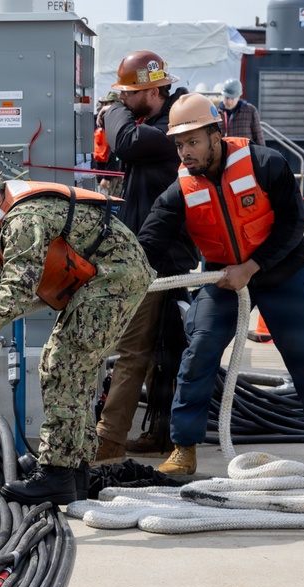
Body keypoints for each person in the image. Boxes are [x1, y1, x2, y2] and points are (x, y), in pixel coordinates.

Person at [136, 93, 304, 477]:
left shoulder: (266, 164)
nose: (185, 152)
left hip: (283, 272)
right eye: (180, 143)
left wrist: (252, 266)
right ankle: (184, 447)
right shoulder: (181, 189)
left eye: (194, 141)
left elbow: (292, 226)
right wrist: (123, 270)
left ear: (216, 135)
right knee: (199, 352)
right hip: (222, 277)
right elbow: (150, 240)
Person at [0, 170, 154, 505]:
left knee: (62, 361)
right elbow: (0, 282)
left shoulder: (23, 220)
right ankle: (75, 471)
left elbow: (18, 290)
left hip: (115, 275)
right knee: (70, 366)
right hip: (97, 278)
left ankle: (56, 473)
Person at [93, 50, 200, 463]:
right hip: (160, 253)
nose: (124, 100)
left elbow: (125, 142)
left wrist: (110, 107)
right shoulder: (162, 122)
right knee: (164, 347)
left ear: (153, 90)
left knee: (134, 348)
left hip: (158, 258)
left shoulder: (171, 129)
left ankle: (109, 439)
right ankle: (160, 433)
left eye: (130, 94)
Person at [92, 91, 123, 197]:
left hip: (110, 175)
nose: (104, 107)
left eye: (108, 104)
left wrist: (107, 177)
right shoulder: (101, 122)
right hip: (103, 171)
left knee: (111, 204)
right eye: (104, 104)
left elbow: (115, 153)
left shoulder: (114, 123)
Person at [217, 78, 264, 146]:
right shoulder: (216, 113)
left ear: (238, 97)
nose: (229, 102)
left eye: (232, 98)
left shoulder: (250, 111)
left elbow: (258, 137)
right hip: (224, 153)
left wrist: (262, 154)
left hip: (245, 153)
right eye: (226, 98)